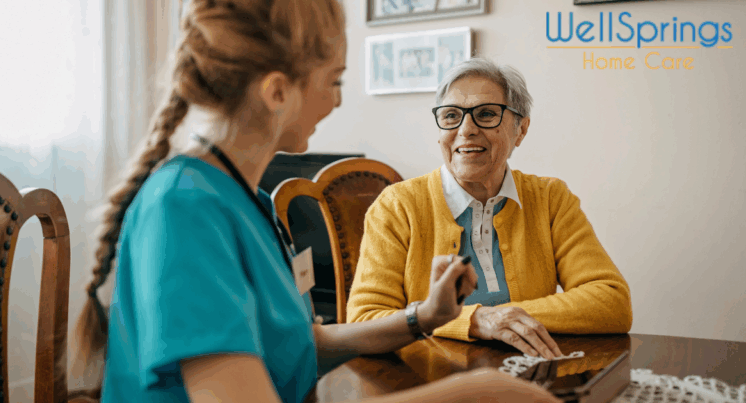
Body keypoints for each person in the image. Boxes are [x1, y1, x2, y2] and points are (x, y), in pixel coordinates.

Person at [69, 2, 562, 403]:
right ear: (278, 92)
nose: (338, 101)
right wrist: (475, 392)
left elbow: (303, 342)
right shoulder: (184, 210)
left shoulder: (250, 201)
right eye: (335, 80)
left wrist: (423, 317)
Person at [347, 57, 633, 360]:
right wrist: (474, 321)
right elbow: (366, 319)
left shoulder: (551, 198)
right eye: (451, 116)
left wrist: (501, 318)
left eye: (486, 114)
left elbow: (611, 301)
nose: (466, 129)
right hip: (425, 378)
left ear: (520, 129)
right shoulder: (396, 206)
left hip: (527, 377)